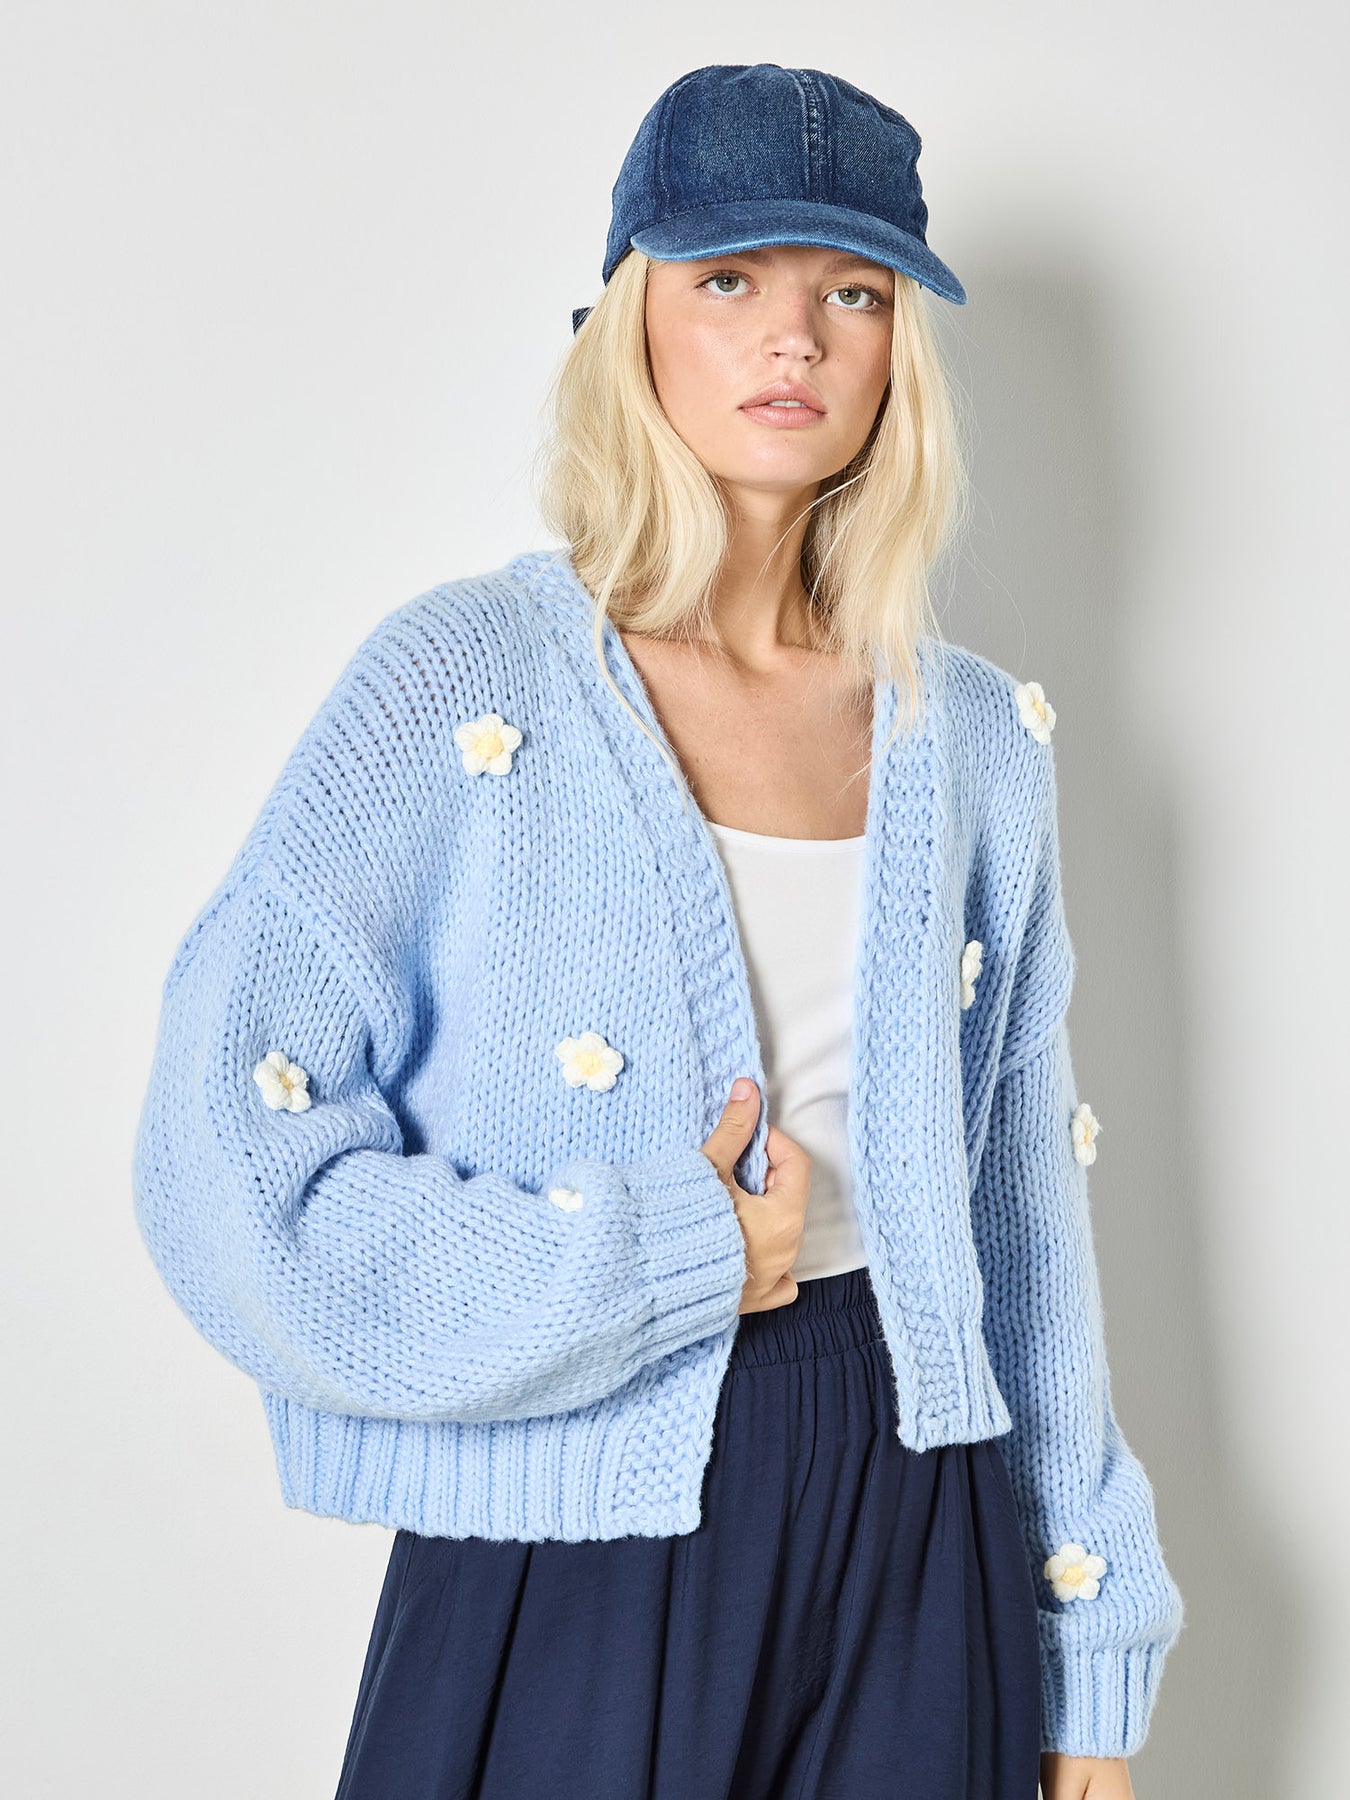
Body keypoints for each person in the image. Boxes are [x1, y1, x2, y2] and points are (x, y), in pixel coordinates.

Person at [131, 61, 1185, 1800]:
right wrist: (660, 1261)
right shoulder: (459, 683)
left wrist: (1089, 1647)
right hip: (576, 1515)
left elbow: (1019, 1209)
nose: (793, 340)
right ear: (629, 319)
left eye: (852, 294)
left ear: (897, 354)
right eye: (729, 280)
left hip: (917, 1503)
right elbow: (222, 1167)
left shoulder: (974, 741)